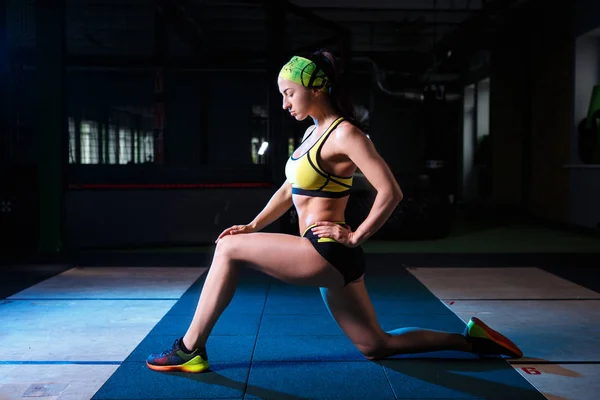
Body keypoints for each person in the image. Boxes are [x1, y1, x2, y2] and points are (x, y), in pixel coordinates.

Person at [146, 50, 523, 373]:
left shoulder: (345, 135)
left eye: (289, 93)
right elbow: (287, 189)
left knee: (226, 251)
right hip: (328, 256)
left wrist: (357, 236)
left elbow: (391, 191)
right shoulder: (310, 133)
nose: (284, 103)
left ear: (316, 87)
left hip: (325, 251)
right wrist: (254, 224)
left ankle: (190, 349)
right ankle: (472, 341)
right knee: (376, 345)